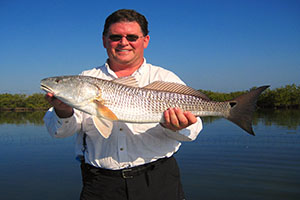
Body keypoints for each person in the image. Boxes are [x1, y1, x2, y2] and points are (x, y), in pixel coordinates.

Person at [44, 9, 203, 200]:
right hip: (101, 185)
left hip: (158, 181)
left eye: (132, 37)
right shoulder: (86, 79)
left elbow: (193, 131)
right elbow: (58, 132)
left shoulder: (165, 77)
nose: (123, 42)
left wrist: (177, 128)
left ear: (145, 41)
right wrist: (63, 111)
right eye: (115, 37)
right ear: (104, 40)